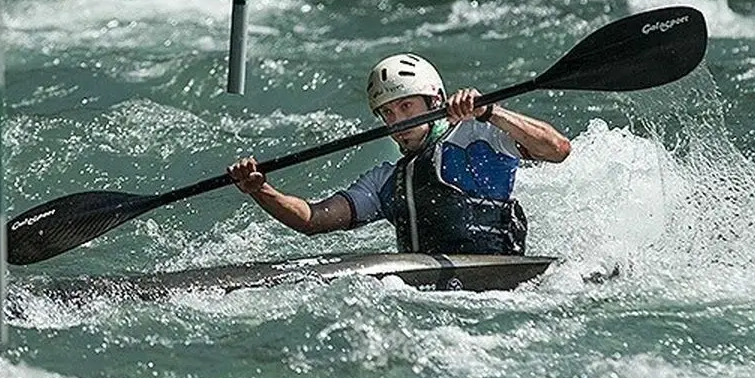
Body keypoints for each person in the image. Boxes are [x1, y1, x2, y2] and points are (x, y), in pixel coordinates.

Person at [226, 53, 571, 255]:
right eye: (387, 114)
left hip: (501, 283)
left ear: (435, 102)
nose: (397, 122)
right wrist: (260, 190)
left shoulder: (480, 137)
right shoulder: (386, 181)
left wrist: (491, 112)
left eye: (406, 107)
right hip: (426, 298)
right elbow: (311, 220)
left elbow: (557, 149)